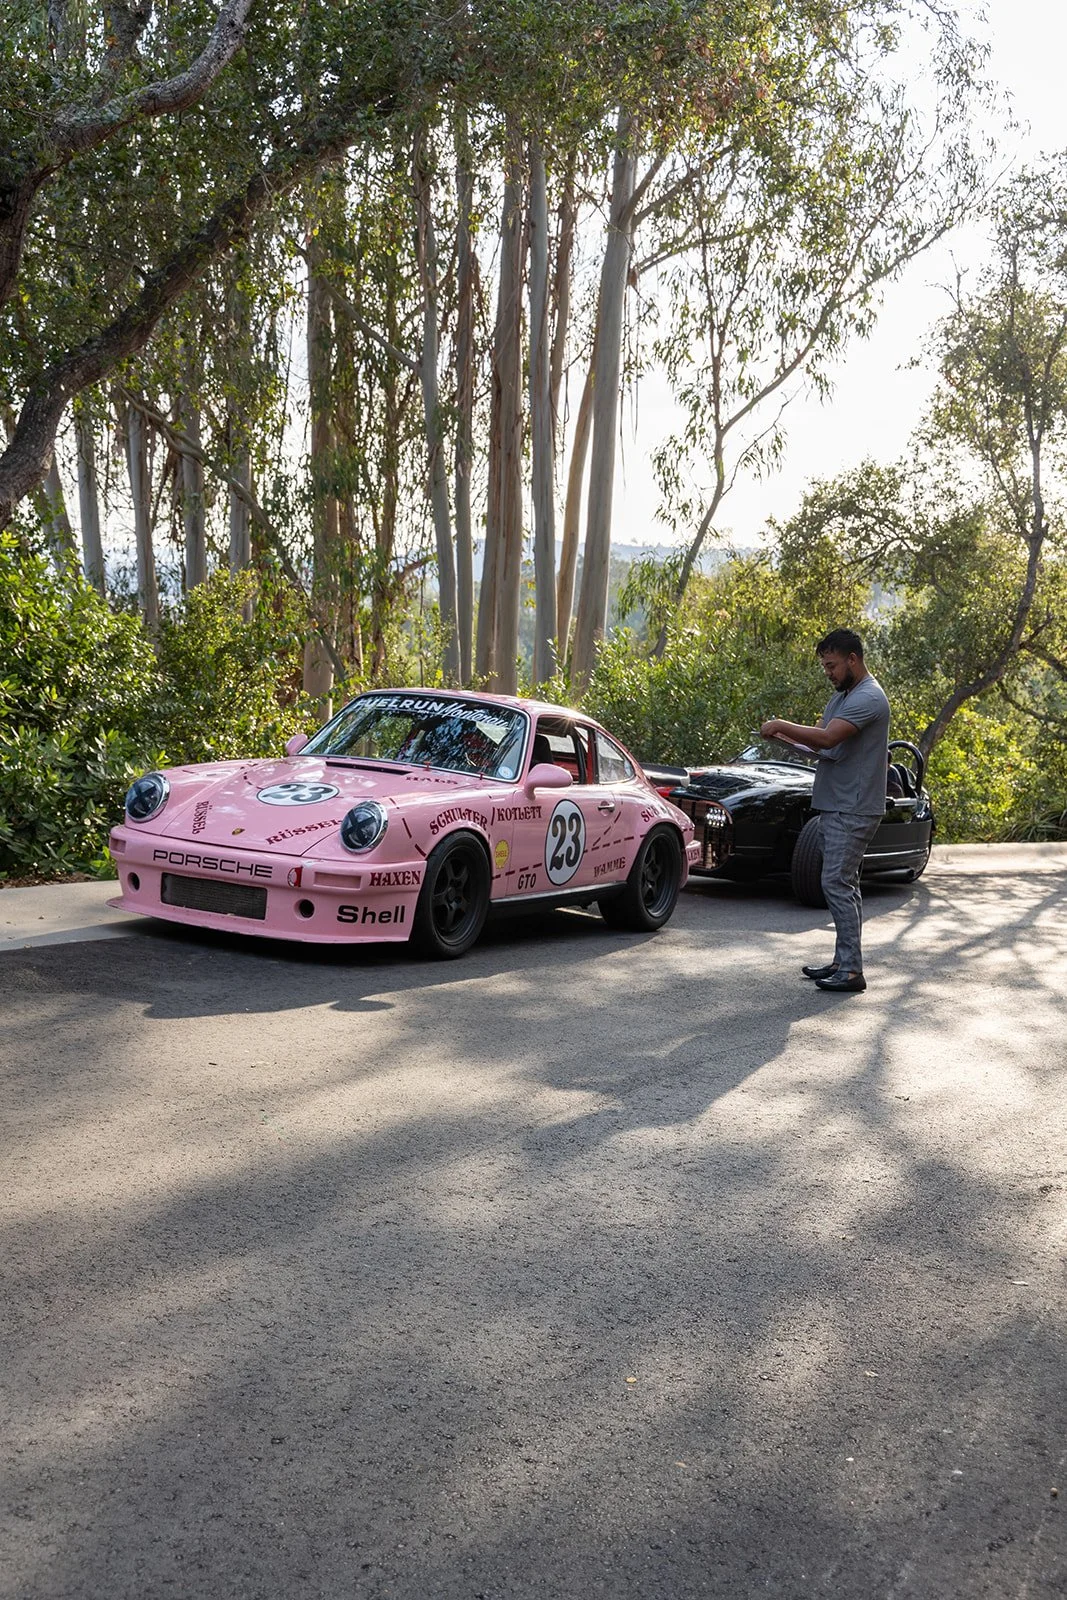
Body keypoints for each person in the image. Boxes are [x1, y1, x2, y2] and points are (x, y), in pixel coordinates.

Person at [760, 628, 890, 993]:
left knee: (835, 882)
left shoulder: (870, 697)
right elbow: (826, 747)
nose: (828, 673)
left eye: (832, 665)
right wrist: (787, 740)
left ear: (853, 659)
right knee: (845, 883)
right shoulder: (843, 697)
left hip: (855, 806)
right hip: (837, 802)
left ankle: (851, 971)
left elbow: (830, 737)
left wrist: (782, 724)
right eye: (824, 667)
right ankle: (842, 961)